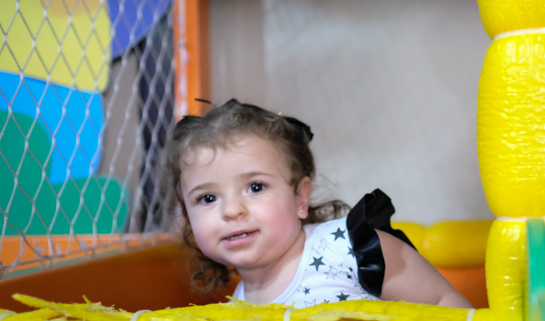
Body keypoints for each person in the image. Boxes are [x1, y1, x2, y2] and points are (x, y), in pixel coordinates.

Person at [167, 99, 471, 309]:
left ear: (300, 198)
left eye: (255, 187)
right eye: (207, 198)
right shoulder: (240, 302)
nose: (231, 210)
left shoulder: (353, 250)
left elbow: (447, 306)